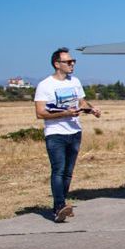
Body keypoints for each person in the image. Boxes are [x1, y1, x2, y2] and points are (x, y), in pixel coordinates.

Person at [34, 47, 101, 222]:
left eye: (73, 61)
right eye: (68, 62)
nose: (72, 64)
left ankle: (60, 204)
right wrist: (64, 114)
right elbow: (40, 113)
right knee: (58, 170)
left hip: (75, 132)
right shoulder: (45, 85)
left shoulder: (75, 81)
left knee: (68, 172)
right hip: (55, 134)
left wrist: (91, 109)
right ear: (57, 64)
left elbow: (81, 102)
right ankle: (59, 206)